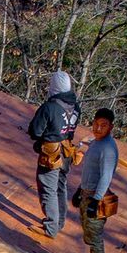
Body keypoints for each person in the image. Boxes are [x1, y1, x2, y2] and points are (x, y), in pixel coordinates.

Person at [27, 70, 82, 237]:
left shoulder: (49, 108)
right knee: (60, 186)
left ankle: (51, 227)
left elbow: (35, 131)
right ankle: (59, 222)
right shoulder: (75, 107)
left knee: (48, 188)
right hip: (66, 150)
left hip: (51, 153)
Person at [73, 108, 119, 253]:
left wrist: (96, 200)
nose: (98, 128)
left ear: (111, 127)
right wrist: (79, 190)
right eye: (96, 124)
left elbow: (105, 177)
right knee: (88, 232)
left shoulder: (108, 149)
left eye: (103, 126)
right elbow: (90, 172)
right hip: (86, 193)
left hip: (95, 197)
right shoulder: (96, 143)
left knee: (95, 237)